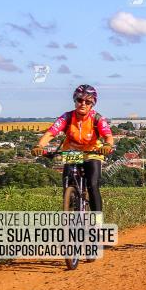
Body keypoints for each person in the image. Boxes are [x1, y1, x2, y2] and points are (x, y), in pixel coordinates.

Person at [33, 84, 114, 212]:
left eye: (87, 101)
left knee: (92, 185)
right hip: (71, 152)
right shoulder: (67, 117)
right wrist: (39, 146)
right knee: (67, 184)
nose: (83, 104)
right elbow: (50, 133)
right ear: (75, 101)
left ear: (92, 104)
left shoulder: (97, 118)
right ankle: (70, 208)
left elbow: (108, 136)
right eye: (79, 100)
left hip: (92, 152)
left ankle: (97, 222)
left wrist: (107, 146)